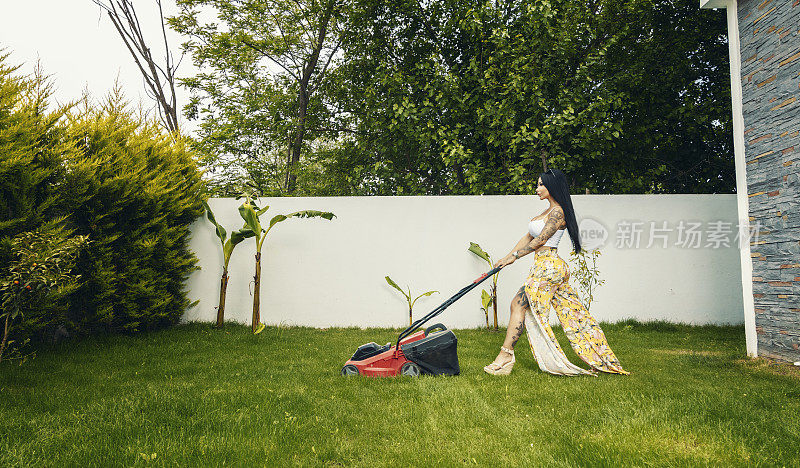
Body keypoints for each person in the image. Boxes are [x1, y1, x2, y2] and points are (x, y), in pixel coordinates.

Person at [483, 169, 629, 376]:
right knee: (576, 315)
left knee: (518, 303)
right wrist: (506, 258)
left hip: (550, 267)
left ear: (553, 186)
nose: (537, 189)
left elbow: (541, 239)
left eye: (541, 184)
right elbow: (527, 237)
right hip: (544, 265)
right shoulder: (544, 213)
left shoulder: (558, 212)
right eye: (538, 184)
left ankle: (506, 356)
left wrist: (514, 257)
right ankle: (601, 359)